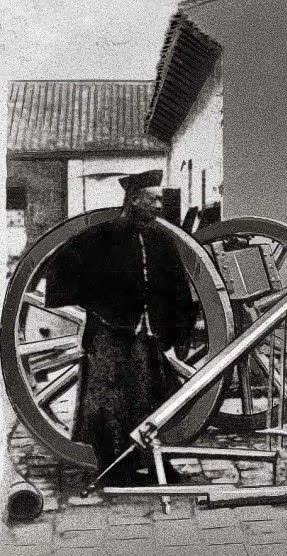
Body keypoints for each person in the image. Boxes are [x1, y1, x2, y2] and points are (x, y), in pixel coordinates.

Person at [45, 170, 194, 485]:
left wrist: (180, 331)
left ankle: (156, 465)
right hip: (109, 336)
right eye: (153, 199)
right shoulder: (101, 237)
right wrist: (95, 304)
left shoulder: (162, 240)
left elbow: (178, 289)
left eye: (160, 200)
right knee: (108, 405)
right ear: (135, 199)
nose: (159, 206)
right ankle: (114, 470)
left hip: (148, 336)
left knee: (155, 399)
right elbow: (63, 264)